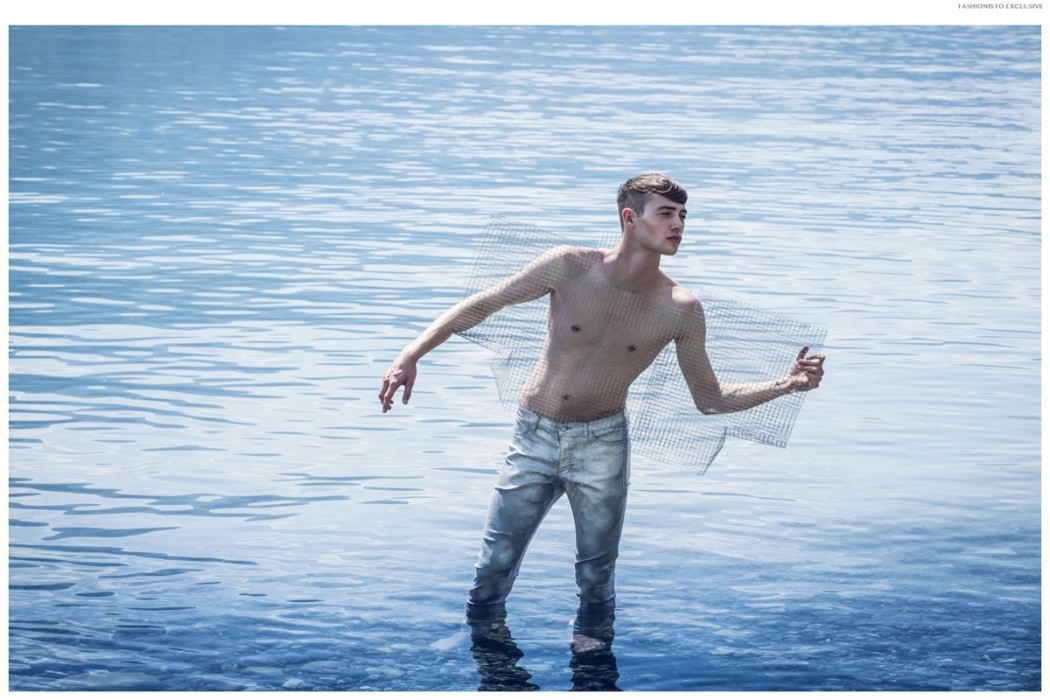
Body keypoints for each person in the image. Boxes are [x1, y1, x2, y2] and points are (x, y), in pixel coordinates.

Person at [378, 173, 825, 622]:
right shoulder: (568, 265)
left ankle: (593, 649)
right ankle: (481, 640)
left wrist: (786, 384)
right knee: (494, 564)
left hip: (602, 445)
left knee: (596, 575)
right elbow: (482, 304)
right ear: (630, 218)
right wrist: (410, 355)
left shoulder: (681, 308)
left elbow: (709, 399)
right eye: (666, 214)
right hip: (533, 436)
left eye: (683, 215)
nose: (678, 225)